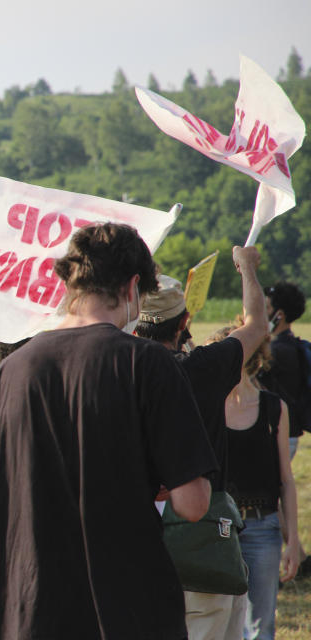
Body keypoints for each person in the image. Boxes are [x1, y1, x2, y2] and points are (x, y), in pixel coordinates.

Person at [0, 222, 216, 639]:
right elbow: (193, 503)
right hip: (129, 610)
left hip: (31, 609)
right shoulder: (148, 363)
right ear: (133, 287)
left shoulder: (9, 372)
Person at [135, 250, 268, 639]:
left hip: (135, 543)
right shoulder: (206, 366)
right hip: (204, 539)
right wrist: (247, 270)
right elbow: (257, 324)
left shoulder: (119, 371)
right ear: (186, 323)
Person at [211, 324, 301, 639]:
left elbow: (286, 481)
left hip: (263, 528)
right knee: (219, 623)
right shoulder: (208, 408)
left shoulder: (275, 408)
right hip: (218, 529)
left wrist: (294, 541)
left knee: (261, 628)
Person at [259, 281, 308, 459]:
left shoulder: (277, 351)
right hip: (288, 431)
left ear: (279, 315)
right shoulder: (290, 345)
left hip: (280, 433)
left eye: (267, 307)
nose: (262, 312)